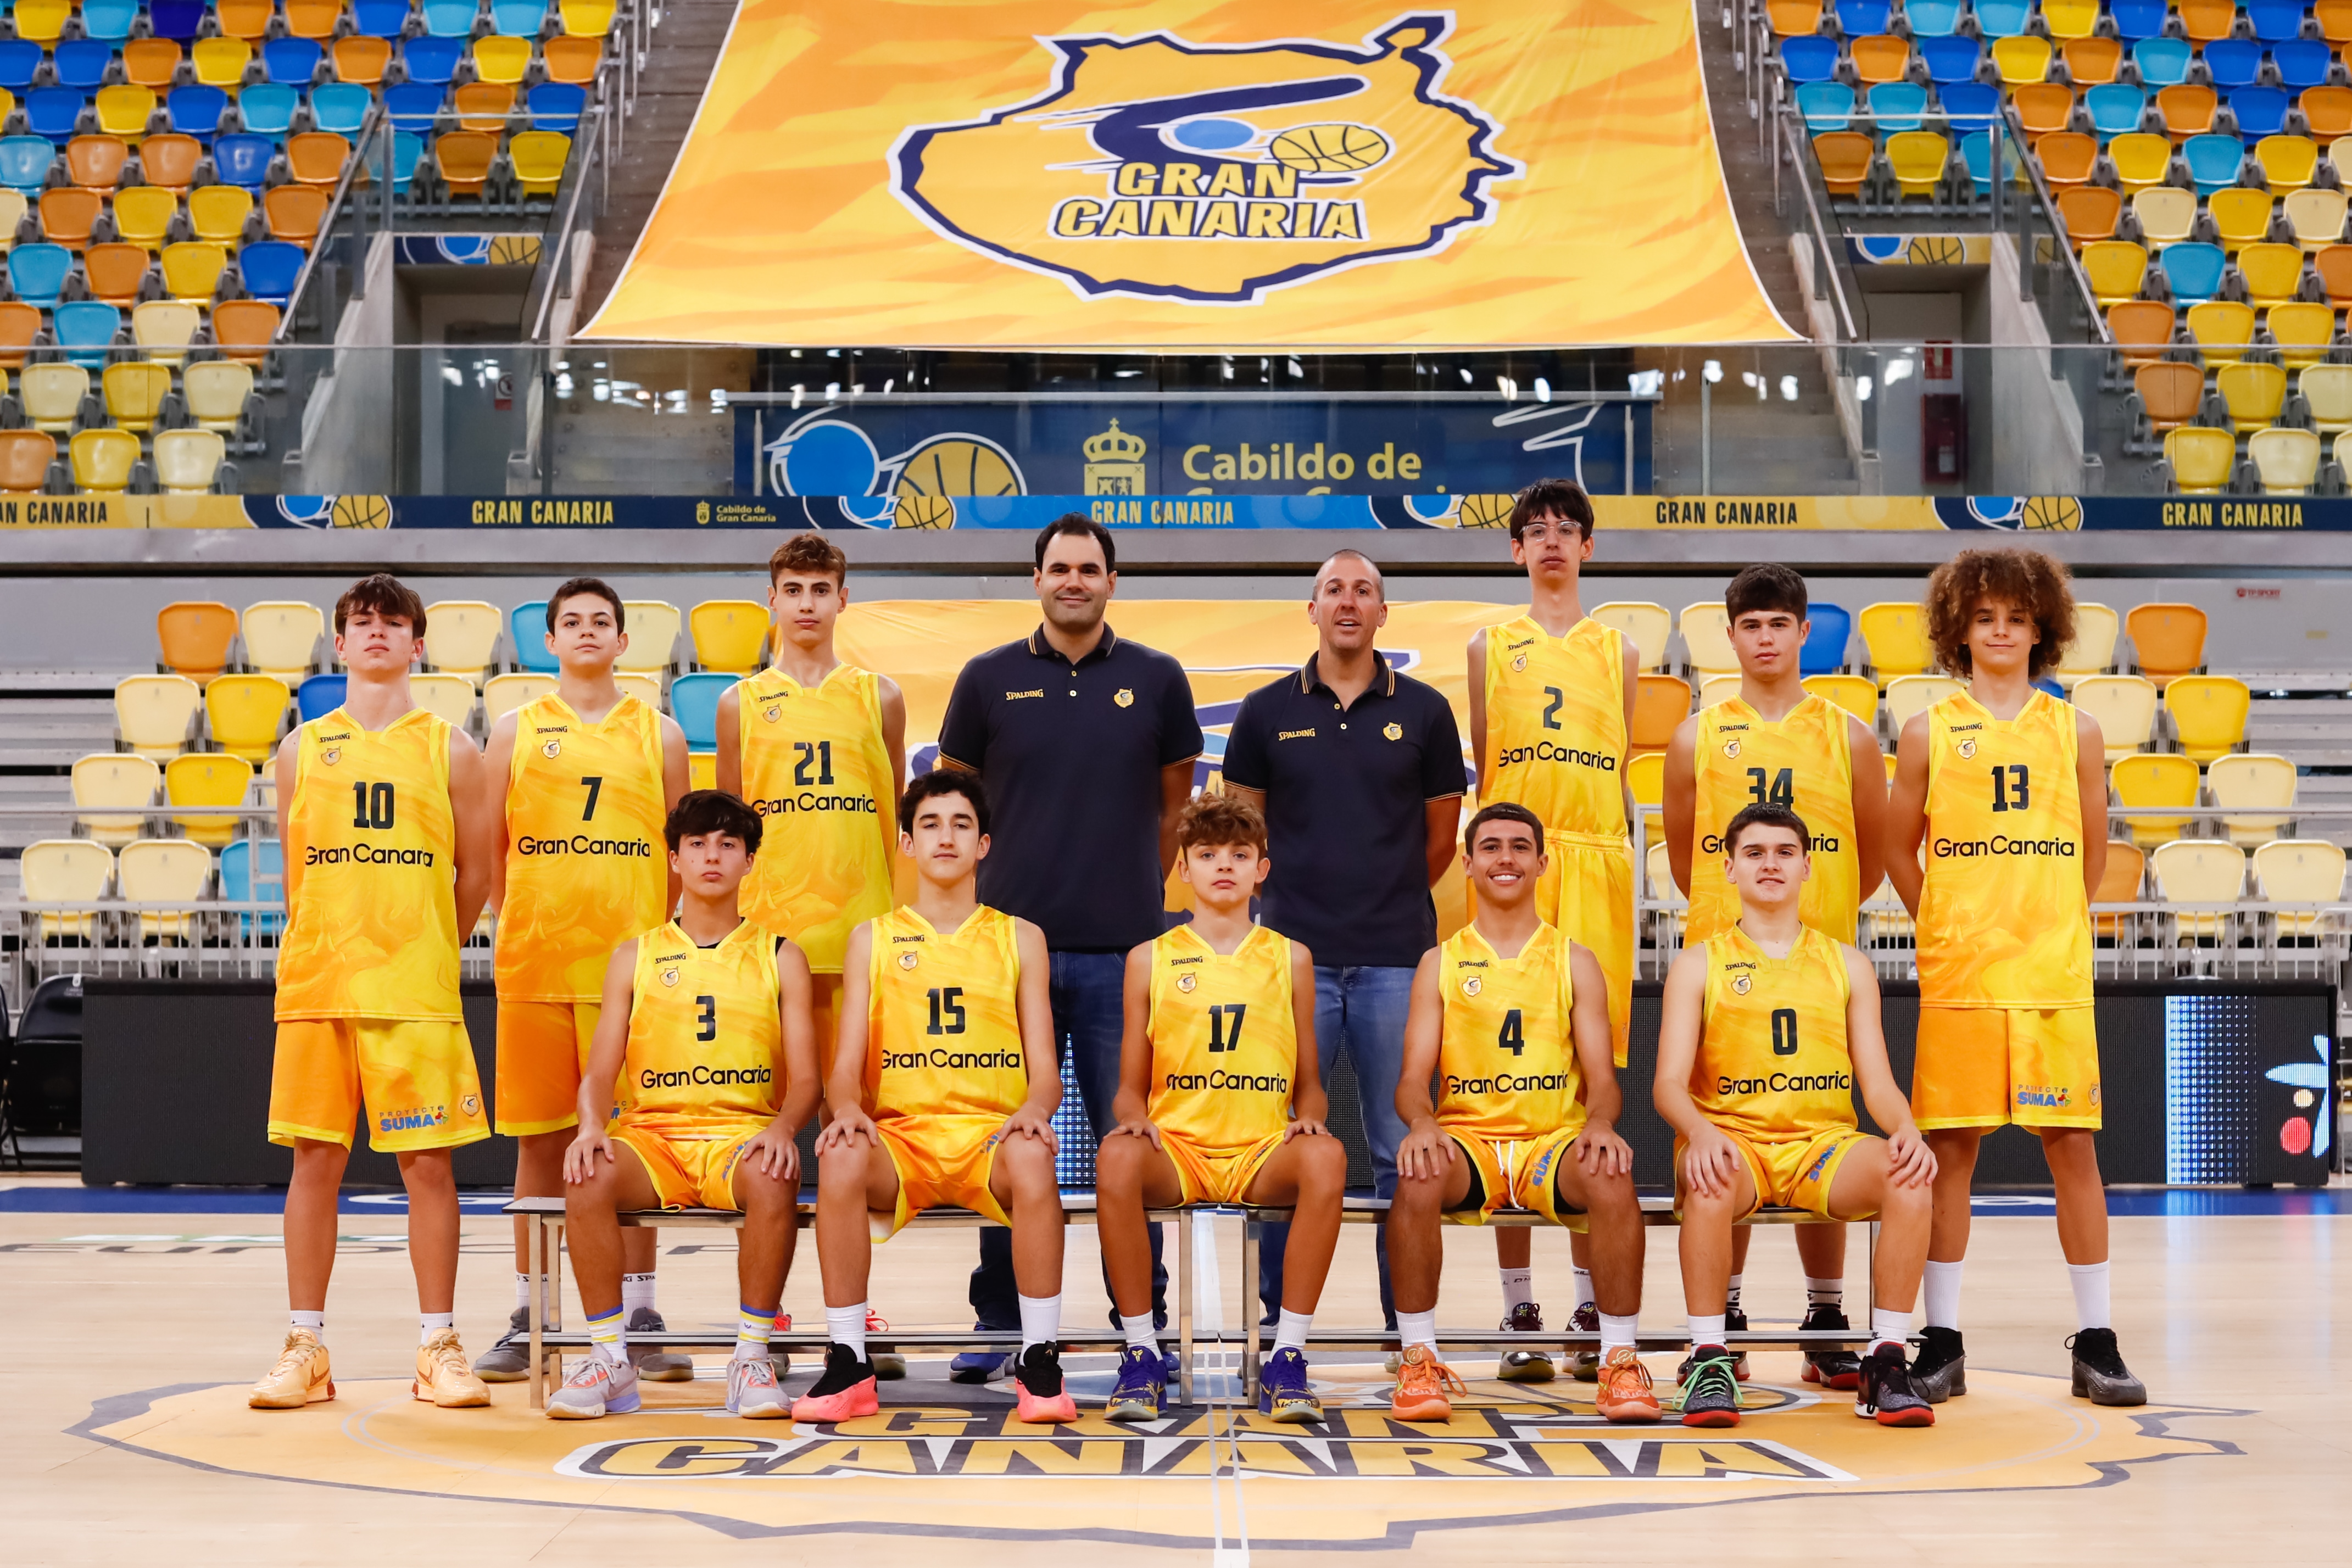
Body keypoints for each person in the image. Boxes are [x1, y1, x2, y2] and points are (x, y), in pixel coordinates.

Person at [935, 516, 1200, 1380]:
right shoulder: (986, 678)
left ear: (1111, 581)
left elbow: (1175, 806)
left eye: (1089, 568)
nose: (1074, 580)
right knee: (1007, 1137)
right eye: (1059, 567)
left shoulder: (1157, 678)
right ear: (1037, 579)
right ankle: (1000, 1316)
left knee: (1130, 1141)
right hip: (1010, 954)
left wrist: (1135, 888)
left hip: (1125, 953)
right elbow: (956, 807)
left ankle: (1141, 1322)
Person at [1886, 547, 2145, 1406]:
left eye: (2016, 616)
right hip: (1961, 971)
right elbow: (1896, 846)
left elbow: (2092, 852)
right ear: (1957, 629)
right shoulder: (1926, 729)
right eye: (1983, 616)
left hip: (2048, 972)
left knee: (2072, 1148)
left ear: (2042, 629)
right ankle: (1942, 1338)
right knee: (1948, 1153)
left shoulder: (2076, 729)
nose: (1999, 630)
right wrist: (1940, 923)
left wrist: (2049, 923)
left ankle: (2097, 1338)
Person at [250, 575, 497, 1411]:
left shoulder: (450, 747)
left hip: (414, 986)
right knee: (313, 1161)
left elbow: (476, 873)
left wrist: (422, 945)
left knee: (429, 1166)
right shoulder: (301, 748)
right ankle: (305, 1345)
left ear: (418, 644)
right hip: (320, 981)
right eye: (363, 622)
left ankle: (438, 1345)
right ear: (341, 642)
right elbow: (298, 879)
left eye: (394, 622)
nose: (378, 632)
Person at [1223, 548, 1465, 1333]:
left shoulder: (1425, 711)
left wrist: (1381, 896)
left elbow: (1439, 839)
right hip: (1292, 962)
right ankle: (1277, 1326)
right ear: (1313, 609)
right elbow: (1241, 833)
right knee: (1285, 1145)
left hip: (1396, 956)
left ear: (1383, 613)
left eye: (1364, 590)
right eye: (1334, 589)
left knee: (1404, 1150)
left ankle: (1410, 1330)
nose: (1349, 601)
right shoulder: (1264, 711)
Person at [1660, 562, 1886, 1390]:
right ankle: (1720, 1320)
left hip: (1817, 955)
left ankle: (1826, 1314)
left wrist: (1813, 918)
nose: (1764, 637)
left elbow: (1868, 854)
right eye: (1749, 624)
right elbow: (1686, 857)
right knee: (1725, 1128)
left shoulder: (1848, 734)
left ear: (1803, 633)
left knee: (1820, 1116)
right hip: (1726, 961)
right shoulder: (1695, 735)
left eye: (1778, 623)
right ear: (1730, 636)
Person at [794, 770, 1074, 1425]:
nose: (945, 836)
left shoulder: (1020, 937)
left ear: (983, 844)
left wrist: (1034, 1111)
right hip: (902, 1141)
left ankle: (1039, 1358)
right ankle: (849, 1359)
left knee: (1034, 1154)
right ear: (907, 843)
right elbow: (843, 1070)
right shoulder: (872, 937)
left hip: (988, 1138)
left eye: (961, 824)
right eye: (929, 824)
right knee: (839, 1153)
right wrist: (848, 1109)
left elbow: (1045, 1072)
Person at [1652, 802, 1937, 1429]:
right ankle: (1710, 1357)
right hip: (1735, 1141)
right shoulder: (1699, 963)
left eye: (1784, 852)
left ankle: (1886, 1359)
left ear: (1807, 866)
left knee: (1909, 1175)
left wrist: (1907, 1130)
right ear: (1729, 868)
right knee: (1709, 1177)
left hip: (1821, 1145)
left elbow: (1878, 1084)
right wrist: (1700, 1132)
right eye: (1754, 853)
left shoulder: (1848, 963)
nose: (1770, 864)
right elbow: (1668, 1084)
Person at [474, 578, 693, 1386]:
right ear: (551, 641)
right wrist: (522, 921)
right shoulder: (514, 730)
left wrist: (654, 946)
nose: (588, 631)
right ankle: (533, 1314)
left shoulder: (660, 733)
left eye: (602, 621)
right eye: (573, 621)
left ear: (624, 641)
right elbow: (490, 848)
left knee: (635, 1142)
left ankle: (640, 1313)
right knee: (539, 1141)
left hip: (631, 975)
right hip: (537, 965)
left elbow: (679, 851)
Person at [547, 791, 821, 1419]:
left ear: (749, 860)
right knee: (586, 1172)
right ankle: (610, 1358)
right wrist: (590, 1124)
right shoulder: (635, 954)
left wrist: (784, 1127)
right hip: (653, 1139)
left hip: (739, 1135)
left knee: (775, 1172)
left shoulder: (781, 955)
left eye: (727, 844)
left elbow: (808, 1079)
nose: (711, 856)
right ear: (674, 859)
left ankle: (751, 1357)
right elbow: (599, 1071)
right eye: (696, 844)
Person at [1383, 803, 1656, 1425]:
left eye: (1518, 846)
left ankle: (1618, 1361)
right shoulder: (1441, 961)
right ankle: (1418, 1361)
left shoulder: (1574, 959)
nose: (1504, 858)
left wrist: (1599, 1124)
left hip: (1550, 1142)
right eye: (1490, 846)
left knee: (1611, 1172)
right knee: (1418, 1173)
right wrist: (1423, 1124)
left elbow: (1603, 1081)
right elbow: (1411, 1081)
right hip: (1471, 1141)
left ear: (1542, 862)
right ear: (1467, 862)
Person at [717, 531, 906, 1372]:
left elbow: (892, 819)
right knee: (763, 1131)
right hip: (770, 951)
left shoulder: (879, 695)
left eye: (819, 588)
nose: (805, 603)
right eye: (791, 588)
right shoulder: (739, 702)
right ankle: (766, 1313)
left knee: (847, 1133)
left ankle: (852, 1312)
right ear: (772, 599)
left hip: (859, 946)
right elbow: (728, 826)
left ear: (841, 599)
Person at [1096, 794, 1345, 1424]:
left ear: (1262, 868)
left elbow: (1310, 1082)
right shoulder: (1149, 957)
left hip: (1260, 1149)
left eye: (1239, 853)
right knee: (1115, 1156)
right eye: (1207, 854)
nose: (1224, 865)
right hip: (1178, 1149)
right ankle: (1141, 1353)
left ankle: (1286, 1356)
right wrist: (1132, 1116)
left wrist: (1310, 1115)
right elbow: (1128, 1087)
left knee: (1326, 1156)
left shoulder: (1290, 956)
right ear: (1183, 867)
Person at [1465, 478, 1637, 1382]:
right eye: (1534, 531)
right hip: (1517, 865)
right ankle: (1518, 1304)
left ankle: (1587, 1300)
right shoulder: (1489, 646)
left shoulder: (1620, 648)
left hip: (1596, 862)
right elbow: (1487, 761)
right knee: (1508, 1080)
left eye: (1566, 530)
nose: (1551, 542)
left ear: (1588, 547)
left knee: (1584, 1082)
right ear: (1515, 551)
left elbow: (1617, 760)